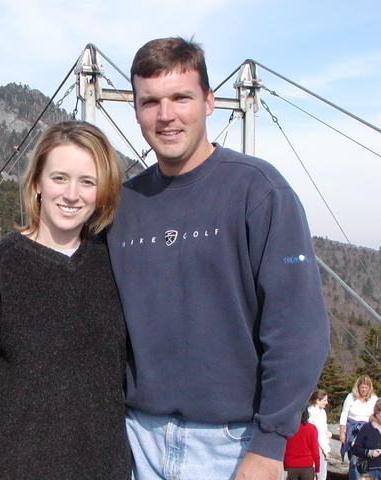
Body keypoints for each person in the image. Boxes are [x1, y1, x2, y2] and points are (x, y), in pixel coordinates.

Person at [106, 37, 329, 480]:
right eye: (149, 101)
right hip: (134, 441)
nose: (165, 115)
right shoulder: (121, 205)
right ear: (135, 110)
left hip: (231, 445)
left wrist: (268, 446)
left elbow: (298, 328)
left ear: (209, 101)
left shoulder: (259, 191)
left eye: (181, 98)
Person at [0, 121, 130, 480]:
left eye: (87, 182)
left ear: (101, 192)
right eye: (59, 178)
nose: (72, 194)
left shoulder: (115, 264)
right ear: (37, 184)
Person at [341, 375, 378, 479]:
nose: (364, 390)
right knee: (354, 460)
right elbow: (344, 415)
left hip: (368, 429)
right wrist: (342, 433)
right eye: (362, 387)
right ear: (358, 387)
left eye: (366, 387)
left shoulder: (373, 398)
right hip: (353, 430)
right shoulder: (350, 397)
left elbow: (376, 415)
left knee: (368, 459)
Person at [283, 408, 320, 480]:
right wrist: (317, 468)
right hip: (307, 466)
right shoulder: (312, 428)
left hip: (290, 465)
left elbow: (284, 448)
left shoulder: (288, 427)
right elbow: (315, 451)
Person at [351, 398, 381, 480]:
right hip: (369, 471)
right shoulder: (367, 428)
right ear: (377, 413)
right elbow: (355, 449)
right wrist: (369, 452)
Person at [308, 389, 332, 480]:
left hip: (320, 447)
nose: (326, 402)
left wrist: (327, 433)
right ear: (317, 400)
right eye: (324, 400)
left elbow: (323, 430)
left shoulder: (322, 412)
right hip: (316, 448)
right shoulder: (312, 412)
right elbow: (318, 434)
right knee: (317, 474)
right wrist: (326, 450)